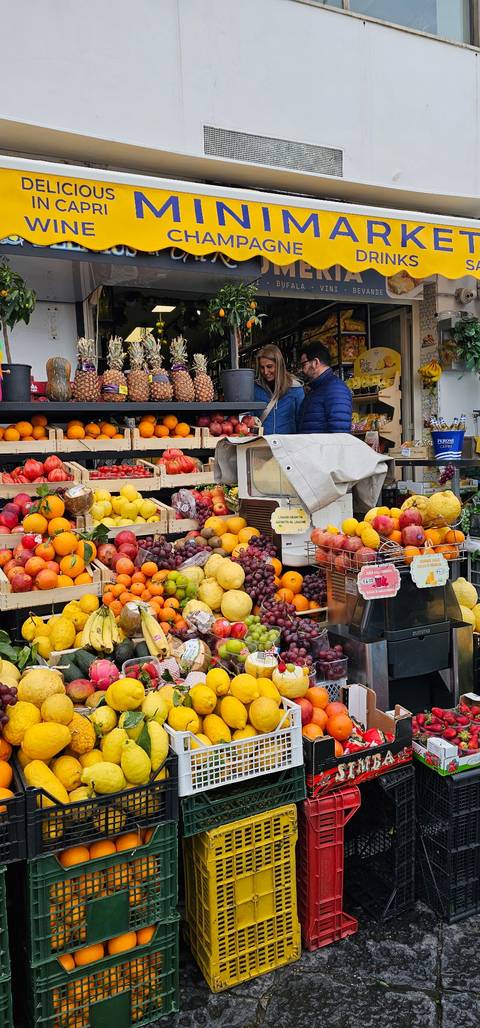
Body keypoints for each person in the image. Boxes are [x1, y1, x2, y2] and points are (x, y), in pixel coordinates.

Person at [297, 341, 352, 433]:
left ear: (315, 362)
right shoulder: (316, 389)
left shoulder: (335, 389)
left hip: (323, 447)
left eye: (304, 364)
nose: (303, 370)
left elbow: (340, 432)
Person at [253, 344, 304, 434]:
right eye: (262, 367)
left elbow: (301, 420)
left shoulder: (295, 389)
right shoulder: (255, 389)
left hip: (288, 444)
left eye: (269, 366)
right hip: (261, 444)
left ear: (279, 365)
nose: (265, 372)